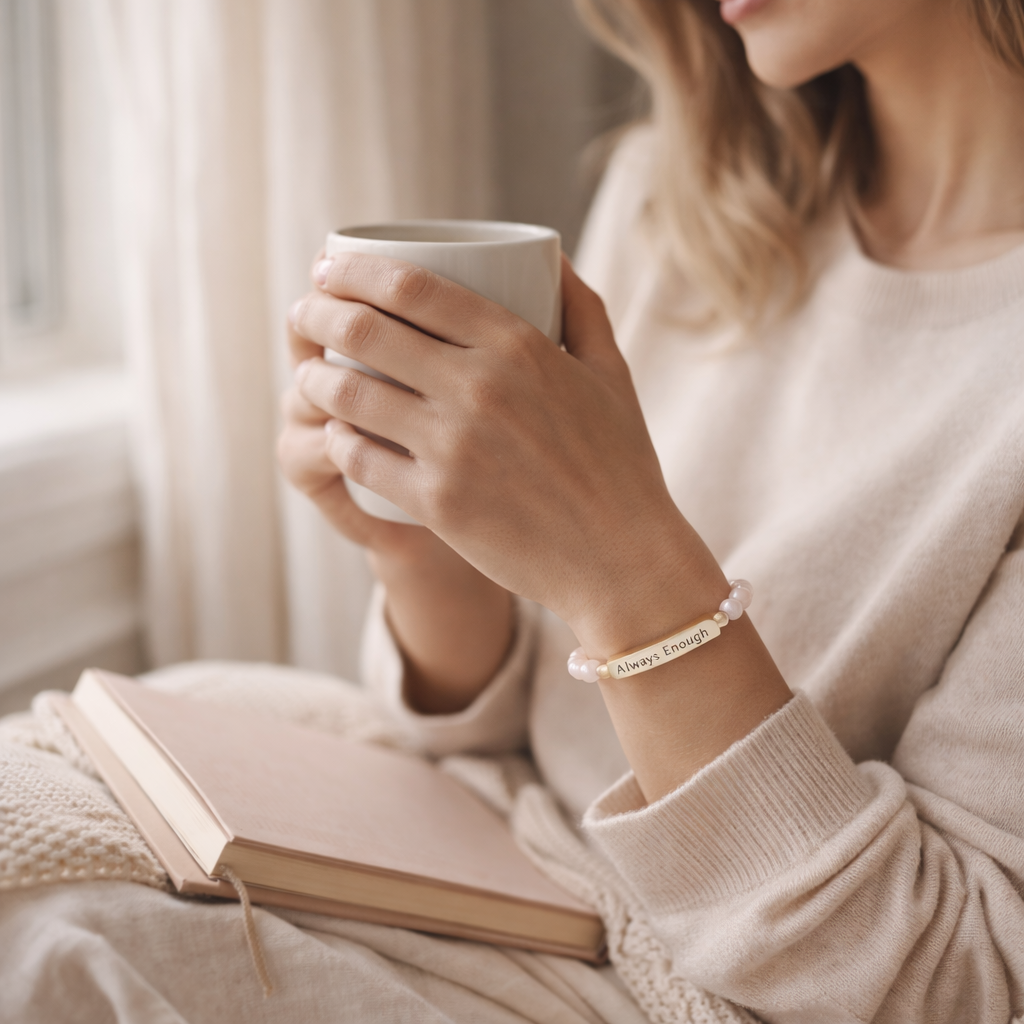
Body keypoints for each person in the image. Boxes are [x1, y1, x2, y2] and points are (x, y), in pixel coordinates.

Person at [280, 0, 1024, 1020]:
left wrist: (623, 566)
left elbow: (958, 987)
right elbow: (542, 735)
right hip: (511, 875)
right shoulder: (676, 200)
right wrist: (428, 556)